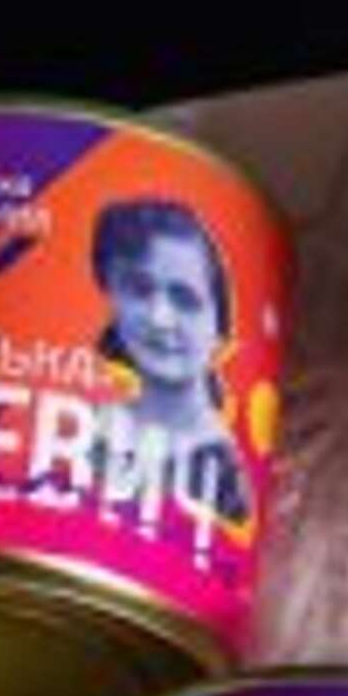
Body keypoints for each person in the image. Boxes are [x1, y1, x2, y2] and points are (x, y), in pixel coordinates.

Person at [89, 198, 250, 524]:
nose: (160, 318)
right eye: (140, 289)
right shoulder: (81, 430)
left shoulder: (230, 471)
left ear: (219, 323)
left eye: (185, 299)